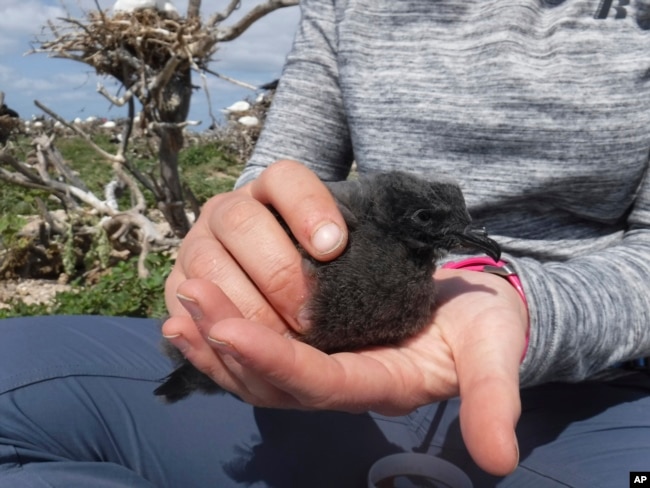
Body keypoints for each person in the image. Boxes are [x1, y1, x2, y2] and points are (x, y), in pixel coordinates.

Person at [2, 0, 650, 486]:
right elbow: (274, 183)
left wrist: (525, 308)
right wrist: (237, 250)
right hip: (338, 361)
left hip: (590, 395)